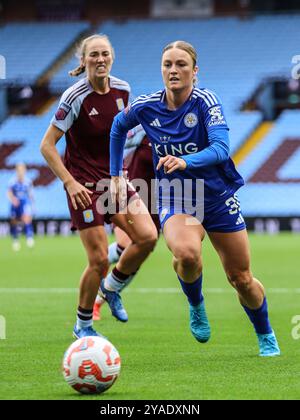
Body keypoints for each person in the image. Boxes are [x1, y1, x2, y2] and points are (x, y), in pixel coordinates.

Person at [109, 40, 280, 357]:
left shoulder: (205, 102)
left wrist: (185, 161)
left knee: (241, 278)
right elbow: (118, 127)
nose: (173, 70)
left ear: (194, 71)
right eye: (167, 64)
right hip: (177, 198)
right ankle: (196, 304)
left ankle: (265, 333)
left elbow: (221, 149)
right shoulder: (147, 106)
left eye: (181, 64)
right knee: (187, 254)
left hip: (215, 197)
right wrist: (116, 174)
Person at [40, 34, 157, 339]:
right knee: (98, 259)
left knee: (147, 237)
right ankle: (83, 325)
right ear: (83, 60)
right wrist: (70, 182)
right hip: (85, 188)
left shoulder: (123, 89)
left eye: (105, 54)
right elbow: (47, 146)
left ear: (112, 57)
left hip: (114, 184)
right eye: (94, 55)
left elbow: (120, 135)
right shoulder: (74, 97)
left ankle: (112, 288)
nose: (100, 59)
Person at [93, 128, 161, 320]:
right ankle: (98, 262)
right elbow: (117, 140)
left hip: (156, 203)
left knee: (136, 258)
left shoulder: (181, 136)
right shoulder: (147, 125)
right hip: (131, 195)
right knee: (126, 247)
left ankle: (100, 298)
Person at [7, 163, 35, 251]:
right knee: (14, 221)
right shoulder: (12, 181)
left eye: (22, 170)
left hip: (24, 202)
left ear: (25, 171)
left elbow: (31, 194)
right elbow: (9, 192)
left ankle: (29, 237)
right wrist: (13, 199)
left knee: (26, 218)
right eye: (19, 170)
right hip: (15, 203)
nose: (20, 172)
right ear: (16, 171)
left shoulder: (28, 181)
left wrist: (33, 205)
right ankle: (15, 239)